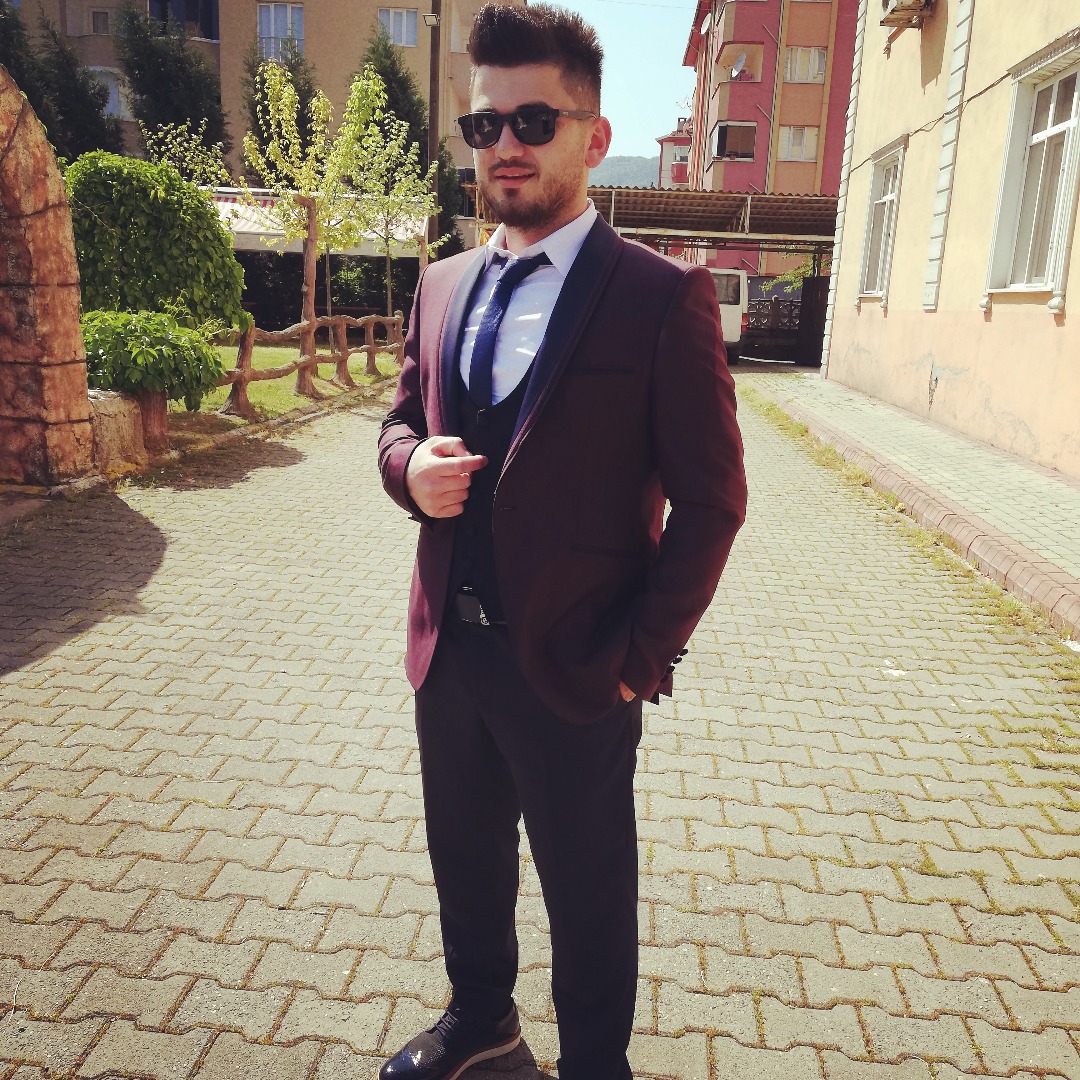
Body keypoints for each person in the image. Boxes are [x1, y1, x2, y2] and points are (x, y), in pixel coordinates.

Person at [376, 6, 747, 1078]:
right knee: (465, 860)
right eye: (482, 125)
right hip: (449, 650)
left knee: (587, 891)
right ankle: (483, 1020)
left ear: (593, 135)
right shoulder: (442, 284)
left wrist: (640, 656)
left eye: (534, 121)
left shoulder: (660, 296)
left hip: (581, 662)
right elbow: (398, 422)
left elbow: (714, 502)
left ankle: (593, 1063)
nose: (505, 145)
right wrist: (409, 468)